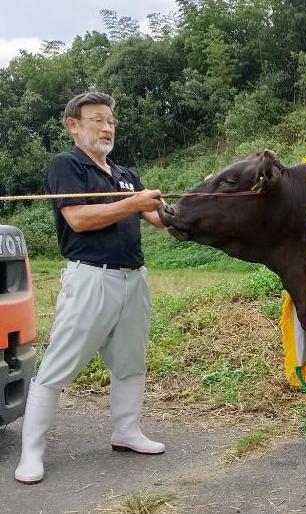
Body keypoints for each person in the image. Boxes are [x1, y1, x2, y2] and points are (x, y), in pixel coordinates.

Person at [15, 92, 165, 485]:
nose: (106, 126)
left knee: (131, 360)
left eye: (111, 120)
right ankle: (31, 451)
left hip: (135, 278)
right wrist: (132, 203)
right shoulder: (67, 165)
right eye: (97, 119)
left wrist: (204, 202)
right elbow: (79, 219)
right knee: (58, 365)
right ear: (73, 126)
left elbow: (159, 219)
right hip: (90, 277)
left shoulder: (126, 173)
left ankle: (126, 432)